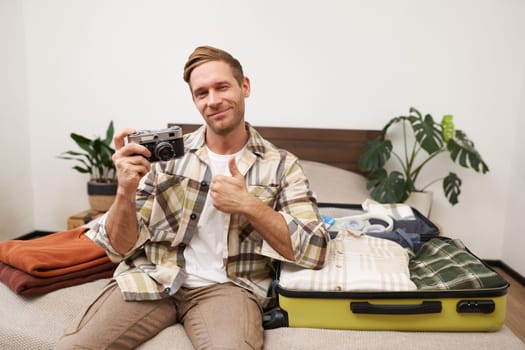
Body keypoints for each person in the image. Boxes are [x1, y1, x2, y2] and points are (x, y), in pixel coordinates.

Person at [55, 45, 329, 350]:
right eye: (202, 93)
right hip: (156, 275)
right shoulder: (168, 156)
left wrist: (248, 204)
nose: (213, 100)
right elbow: (119, 248)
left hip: (229, 289)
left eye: (222, 87)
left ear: (245, 87)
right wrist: (125, 191)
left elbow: (314, 250)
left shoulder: (281, 165)